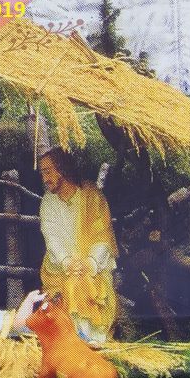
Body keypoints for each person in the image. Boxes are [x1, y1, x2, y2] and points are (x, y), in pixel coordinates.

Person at [38, 147, 118, 345]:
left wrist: (90, 262)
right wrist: (67, 262)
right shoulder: (48, 201)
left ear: (62, 169)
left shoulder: (92, 196)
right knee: (70, 285)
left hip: (94, 265)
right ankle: (72, 340)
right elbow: (51, 236)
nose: (44, 178)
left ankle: (92, 339)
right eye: (42, 173)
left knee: (83, 283)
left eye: (47, 171)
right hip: (59, 267)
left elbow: (102, 235)